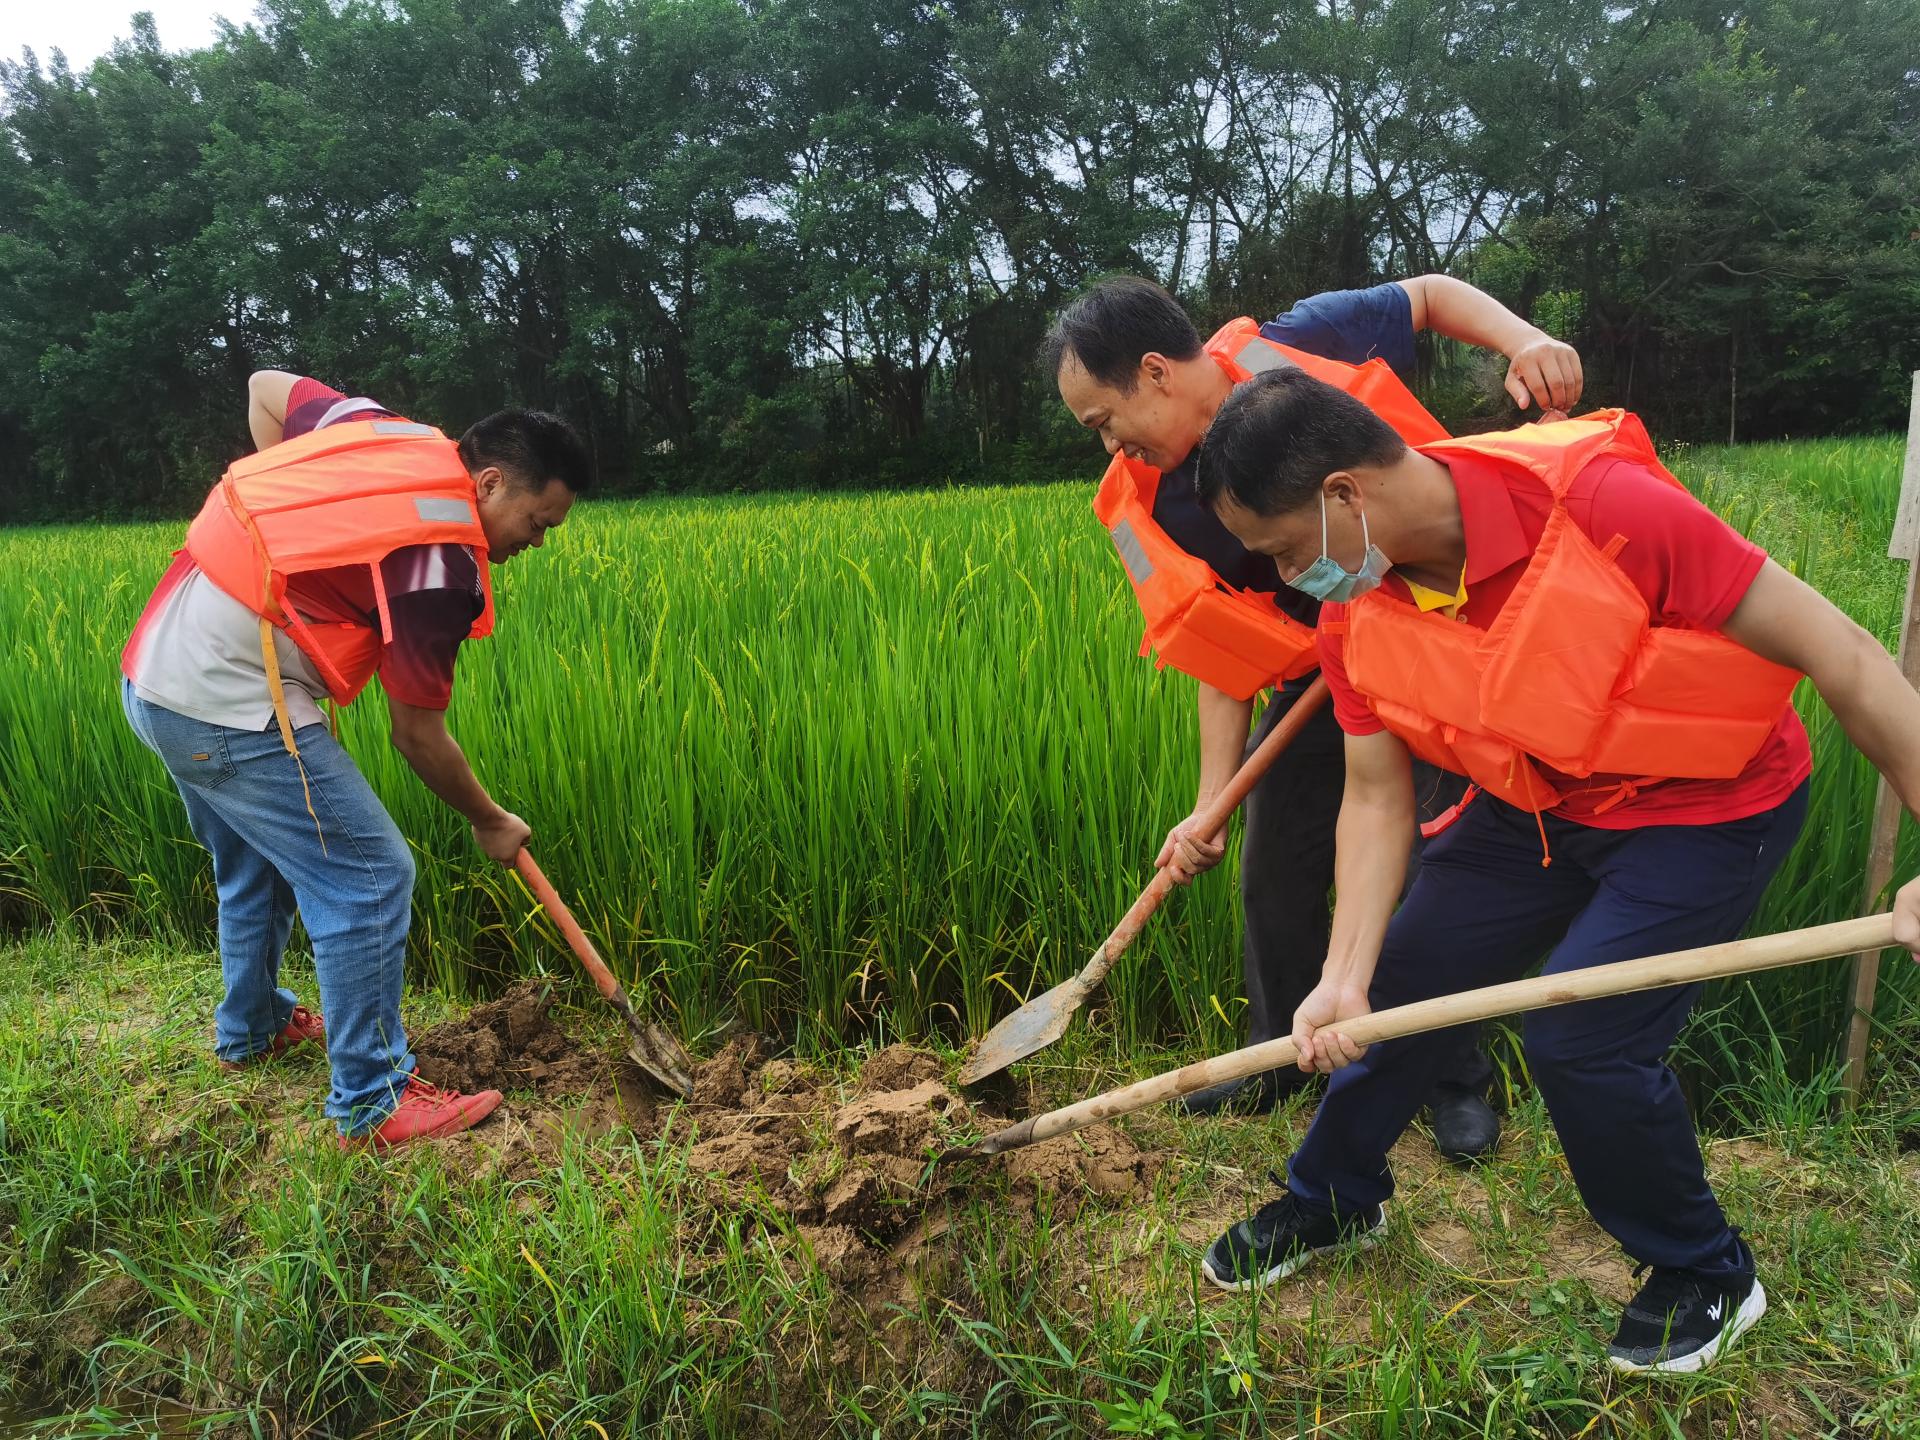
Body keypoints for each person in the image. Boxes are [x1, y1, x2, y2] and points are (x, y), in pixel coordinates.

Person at [1191, 368, 1920, 1372]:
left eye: (1280, 550)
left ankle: (1706, 1272)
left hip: (1704, 809)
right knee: (1398, 986)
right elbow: (1374, 795)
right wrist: (1343, 973)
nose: (1282, 579)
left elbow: (1844, 655)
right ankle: (1331, 1202)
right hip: (1534, 807)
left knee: (1582, 1035)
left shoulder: (1604, 512)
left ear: (1345, 496)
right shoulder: (1354, 610)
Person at [1044, 275, 1582, 1155]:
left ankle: (1449, 1079)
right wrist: (1210, 801)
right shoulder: (1163, 503)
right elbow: (1220, 652)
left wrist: (1524, 341)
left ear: (1154, 373)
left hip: (1441, 652)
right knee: (1276, 869)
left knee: (1428, 869)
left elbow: (1432, 296)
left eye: (1104, 419)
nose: (1109, 446)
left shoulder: (1305, 343)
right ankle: (1274, 1063)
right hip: (1320, 679)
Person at [121, 371, 592, 1150]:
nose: (534, 544)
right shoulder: (442, 563)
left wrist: (284, 517)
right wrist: (491, 821)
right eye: (538, 522)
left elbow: (267, 388)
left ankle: (252, 1029)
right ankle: (372, 1101)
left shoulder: (375, 431)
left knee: (256, 861)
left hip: (158, 673)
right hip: (232, 703)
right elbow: (417, 734)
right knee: (370, 874)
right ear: (491, 480)